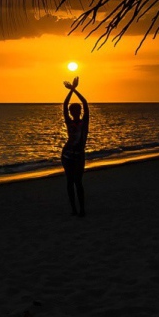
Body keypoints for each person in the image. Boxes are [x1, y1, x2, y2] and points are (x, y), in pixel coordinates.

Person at [61, 76, 89, 216]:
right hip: (67, 155)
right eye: (74, 112)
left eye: (78, 111)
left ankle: (82, 209)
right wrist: (70, 91)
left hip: (79, 156)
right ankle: (73, 209)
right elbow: (65, 106)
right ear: (72, 113)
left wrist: (74, 89)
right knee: (69, 182)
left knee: (78, 182)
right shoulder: (69, 122)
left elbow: (85, 103)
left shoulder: (84, 122)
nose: (76, 113)